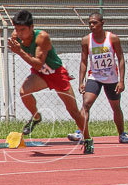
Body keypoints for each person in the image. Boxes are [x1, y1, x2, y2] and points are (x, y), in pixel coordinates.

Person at [8, 10, 93, 154]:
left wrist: (20, 52)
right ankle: (36, 117)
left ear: (32, 27)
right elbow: (37, 68)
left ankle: (87, 139)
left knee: (73, 111)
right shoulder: (16, 37)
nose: (19, 33)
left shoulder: (42, 37)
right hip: (41, 74)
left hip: (56, 74)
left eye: (23, 30)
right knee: (24, 91)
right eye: (17, 29)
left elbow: (38, 63)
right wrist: (19, 48)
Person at [69, 13, 128, 144]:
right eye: (90, 23)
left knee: (116, 107)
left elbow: (120, 58)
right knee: (86, 104)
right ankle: (81, 132)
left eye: (94, 23)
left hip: (111, 79)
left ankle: (122, 134)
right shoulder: (86, 40)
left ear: (102, 23)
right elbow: (83, 61)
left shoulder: (113, 38)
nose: (91, 25)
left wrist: (121, 80)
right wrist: (81, 81)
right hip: (95, 77)